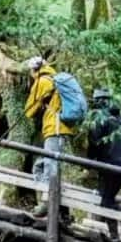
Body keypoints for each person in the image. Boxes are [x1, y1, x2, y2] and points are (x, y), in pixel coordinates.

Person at [24, 56, 74, 217]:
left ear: (34, 70)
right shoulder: (54, 79)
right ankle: (63, 211)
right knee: (44, 166)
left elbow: (29, 110)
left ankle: (47, 203)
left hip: (55, 128)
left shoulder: (42, 81)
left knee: (49, 168)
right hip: (59, 128)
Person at [87, 89, 121, 240]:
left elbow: (95, 142)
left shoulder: (99, 119)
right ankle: (116, 233)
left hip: (109, 164)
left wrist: (90, 162)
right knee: (108, 198)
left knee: (106, 199)